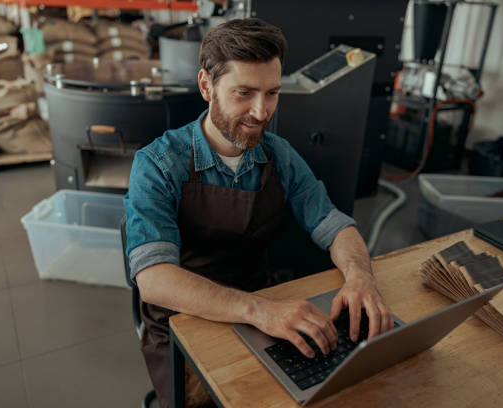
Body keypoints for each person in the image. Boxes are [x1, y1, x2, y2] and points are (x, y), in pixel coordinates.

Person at [124, 18, 394, 408]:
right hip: (182, 325)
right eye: (244, 93)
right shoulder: (159, 163)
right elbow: (154, 280)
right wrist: (257, 310)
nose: (260, 111)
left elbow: (335, 227)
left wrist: (360, 277)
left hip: (263, 310)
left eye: (272, 93)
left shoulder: (279, 156)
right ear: (206, 86)